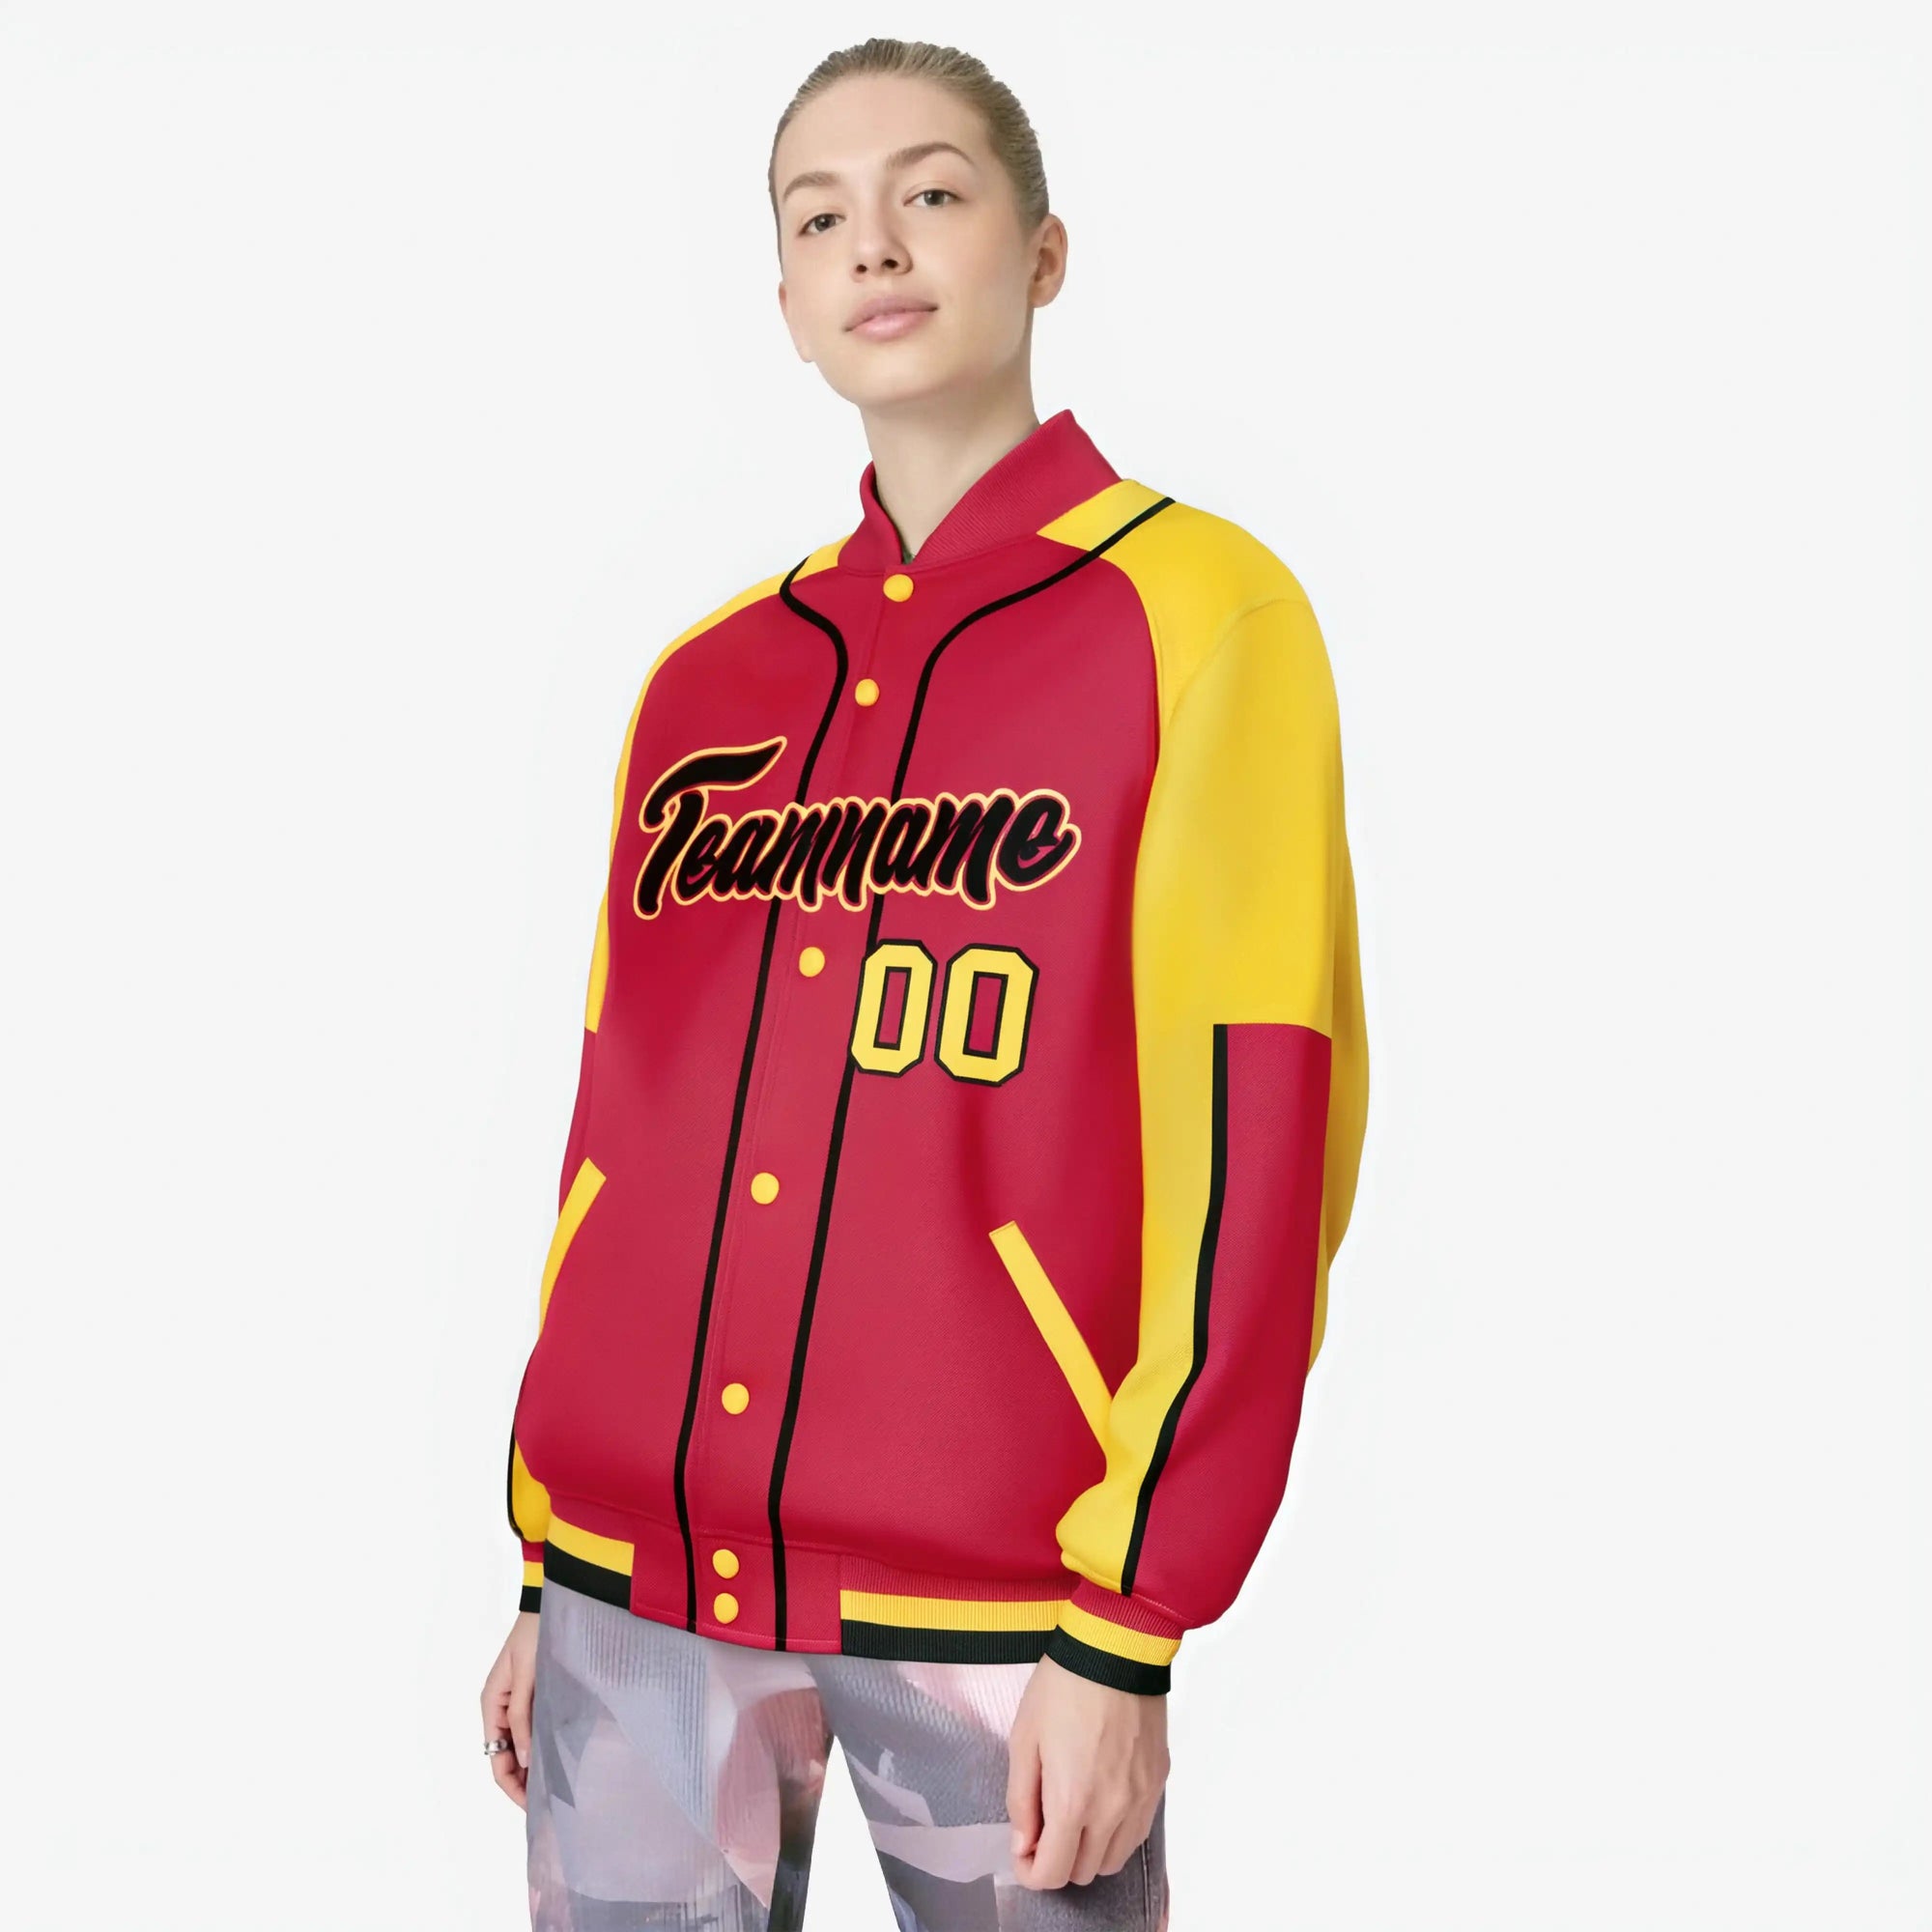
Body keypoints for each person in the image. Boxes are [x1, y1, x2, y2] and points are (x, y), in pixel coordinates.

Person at [479, 34, 1368, 1932]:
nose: (873, 246)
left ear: (1042, 252)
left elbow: (1257, 1147)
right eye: (820, 217)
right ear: (785, 298)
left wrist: (1131, 1618)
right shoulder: (704, 684)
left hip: (1007, 1615)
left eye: (931, 194)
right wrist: (549, 1560)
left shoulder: (1200, 617)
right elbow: (620, 1136)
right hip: (637, 1591)